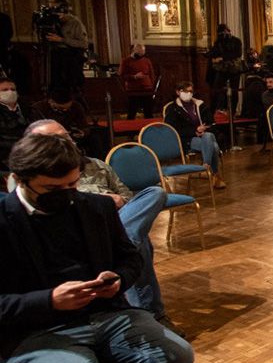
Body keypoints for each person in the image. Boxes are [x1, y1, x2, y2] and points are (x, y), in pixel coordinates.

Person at [0, 133, 193, 363]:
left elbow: (130, 258)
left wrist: (118, 278)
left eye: (73, 184)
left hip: (108, 316)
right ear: (20, 180)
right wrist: (49, 300)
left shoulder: (95, 207)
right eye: (54, 189)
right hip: (35, 332)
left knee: (177, 357)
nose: (68, 195)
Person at [23, 119, 174, 330]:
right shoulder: (34, 183)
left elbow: (128, 198)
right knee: (138, 242)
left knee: (155, 193)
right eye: (52, 140)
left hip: (116, 221)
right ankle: (154, 314)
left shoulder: (97, 165)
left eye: (64, 137)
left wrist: (118, 201)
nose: (62, 144)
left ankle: (128, 235)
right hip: (85, 233)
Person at [163, 81, 226, 189]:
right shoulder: (172, 108)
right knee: (214, 146)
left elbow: (211, 122)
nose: (188, 93)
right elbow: (172, 129)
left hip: (205, 136)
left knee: (208, 136)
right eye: (185, 91)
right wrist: (195, 130)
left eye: (190, 91)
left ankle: (206, 165)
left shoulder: (200, 105)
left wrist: (204, 128)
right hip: (187, 139)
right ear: (178, 92)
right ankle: (215, 174)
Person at [45, 0, 88, 96]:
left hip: (72, 62)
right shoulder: (55, 23)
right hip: (57, 60)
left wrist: (61, 40)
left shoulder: (75, 23)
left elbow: (84, 44)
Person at [205, 24, 243, 113]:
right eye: (221, 32)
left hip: (234, 69)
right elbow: (214, 51)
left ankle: (232, 112)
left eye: (224, 31)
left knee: (234, 91)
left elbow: (237, 54)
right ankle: (213, 110)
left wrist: (222, 58)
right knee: (216, 89)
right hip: (222, 69)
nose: (223, 34)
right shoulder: (219, 41)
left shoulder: (236, 41)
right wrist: (209, 55)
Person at [119, 43, 157, 120]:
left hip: (147, 89)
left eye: (143, 53)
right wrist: (135, 77)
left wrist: (151, 85)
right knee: (132, 112)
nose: (142, 55)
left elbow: (152, 74)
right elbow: (122, 75)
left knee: (148, 112)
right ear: (134, 51)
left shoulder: (147, 61)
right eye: (140, 53)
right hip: (133, 90)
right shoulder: (126, 61)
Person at [1, 76, 30, 170]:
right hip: (5, 158)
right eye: (5, 90)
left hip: (31, 153)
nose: (10, 92)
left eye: (13, 89)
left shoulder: (29, 109)